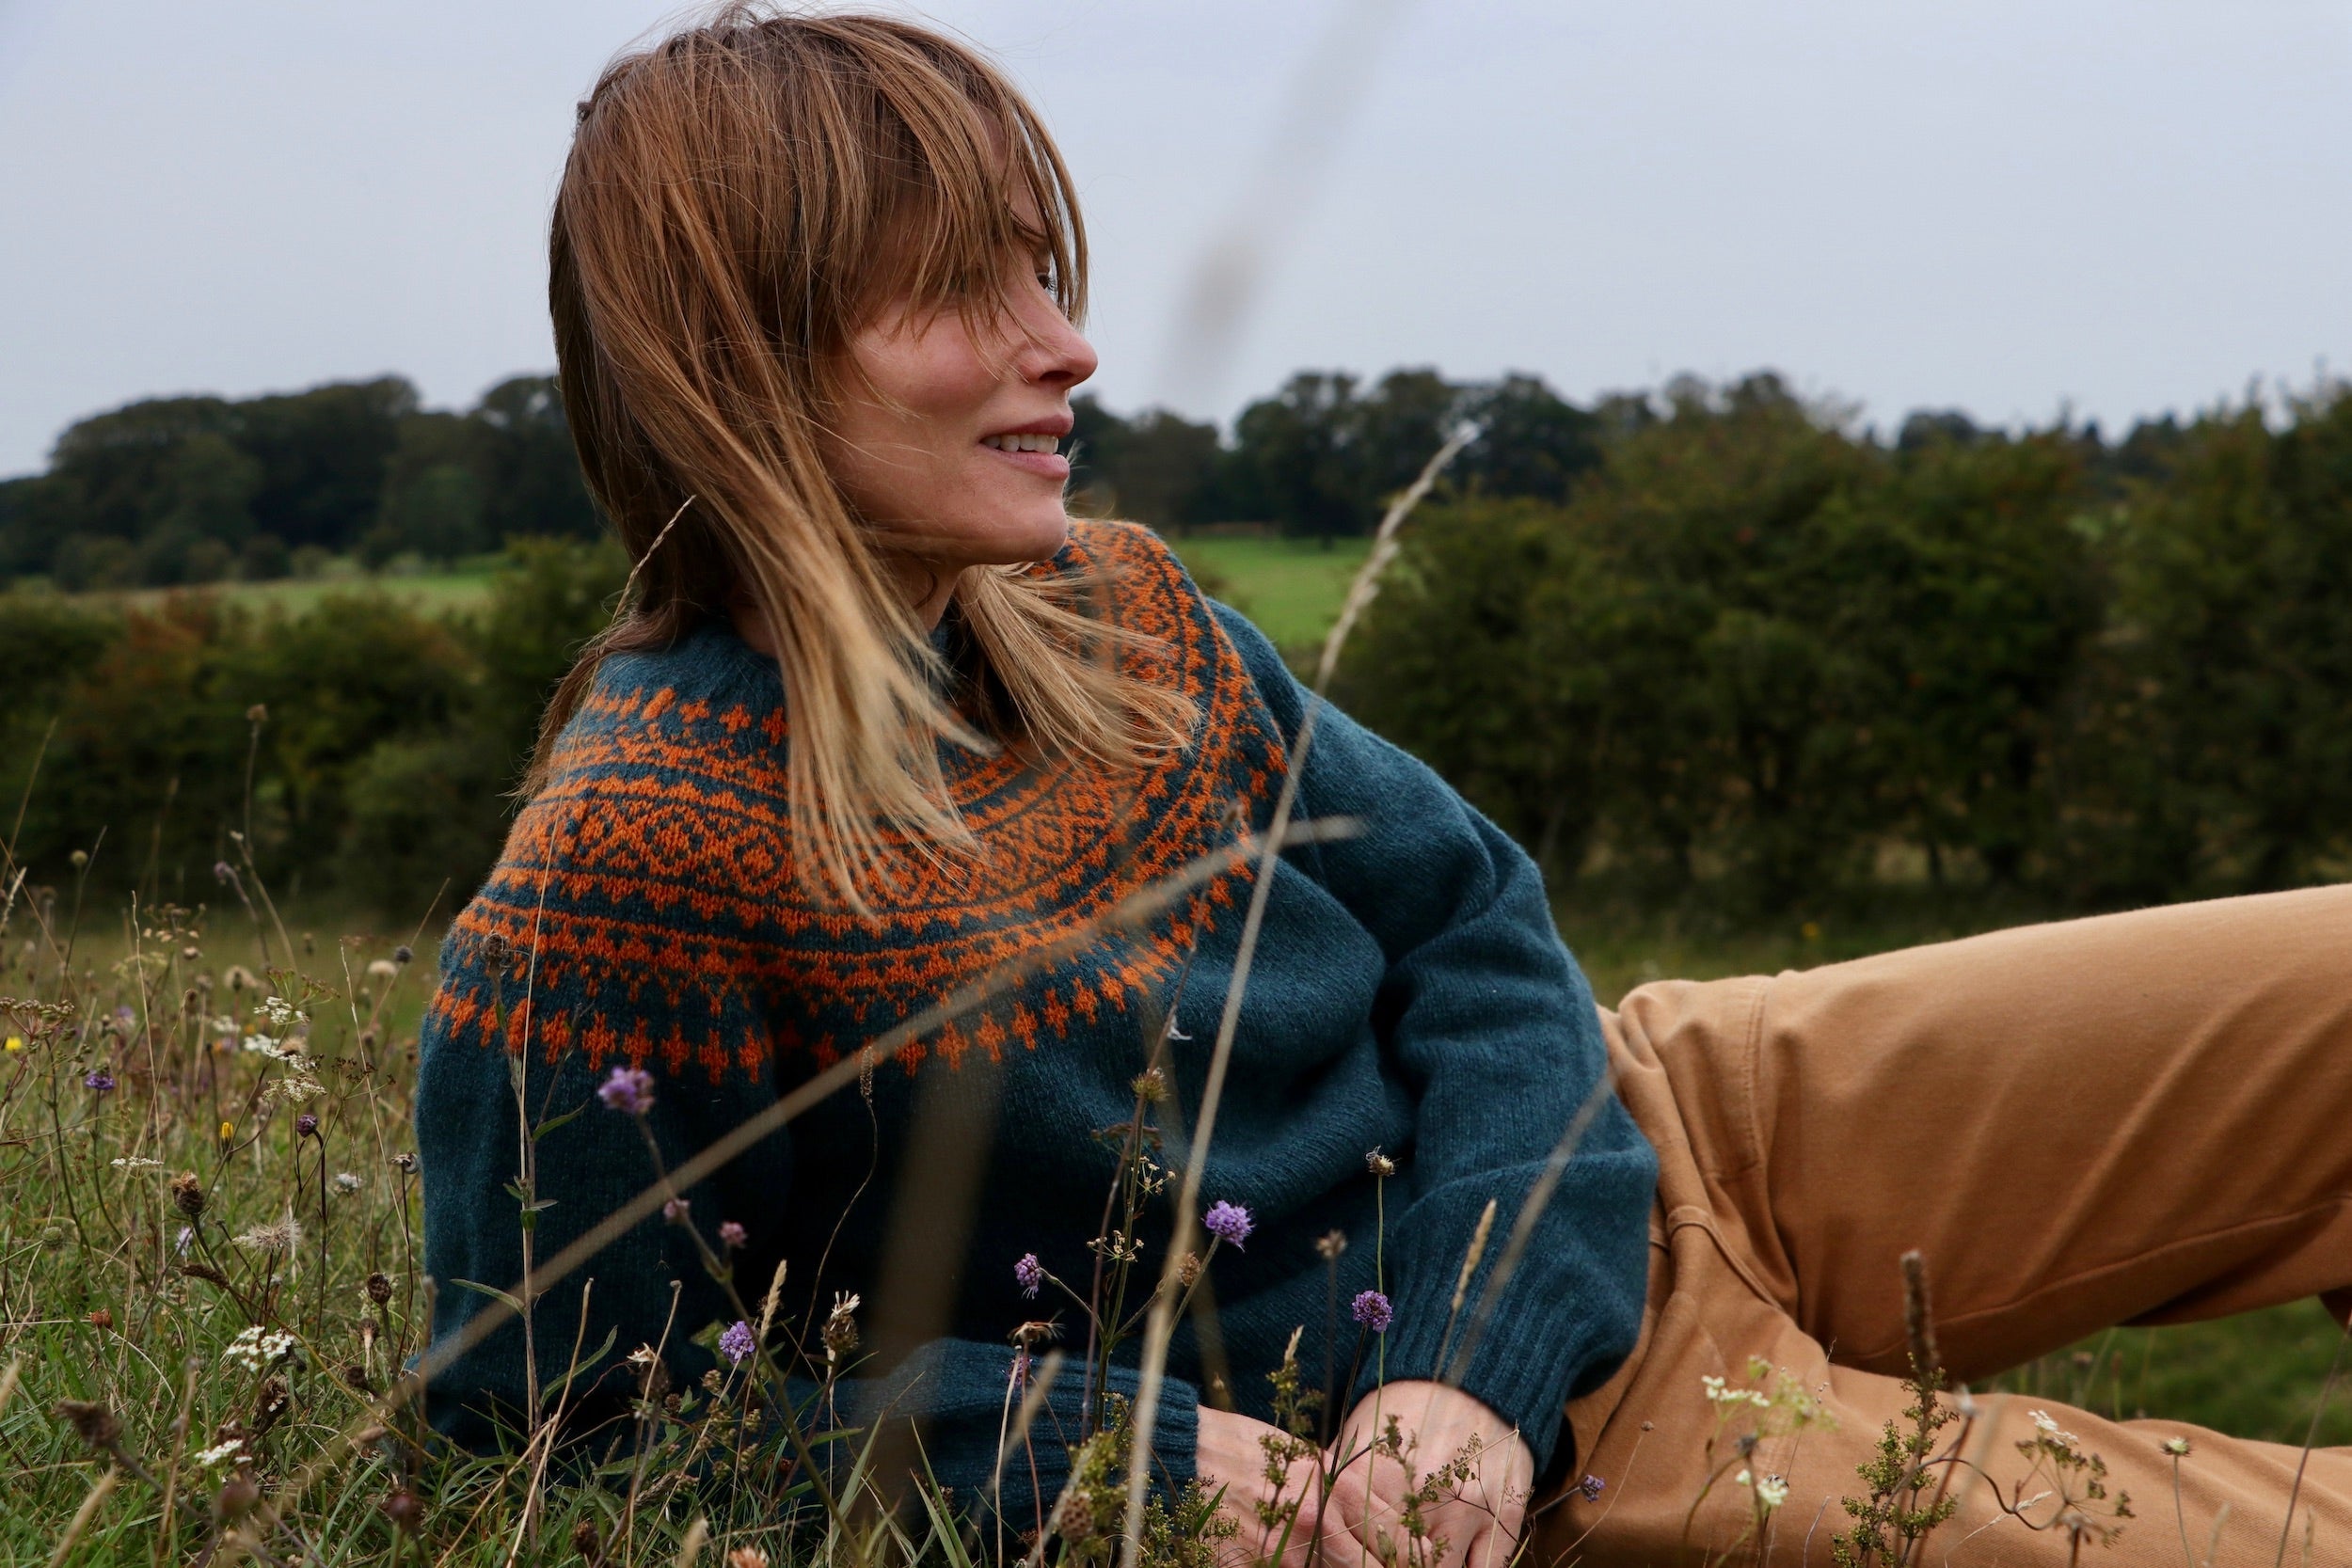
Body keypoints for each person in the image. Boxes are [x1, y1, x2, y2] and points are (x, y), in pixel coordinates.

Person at [414, 9, 2352, 1566]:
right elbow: (573, 1435)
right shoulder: (634, 862)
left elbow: (1476, 932)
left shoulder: (1119, 609)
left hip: (1664, 1130)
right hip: (1545, 1459)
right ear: (738, 362)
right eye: (963, 293)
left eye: (1046, 270)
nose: (1066, 345)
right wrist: (1128, 1459)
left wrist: (1473, 1333)